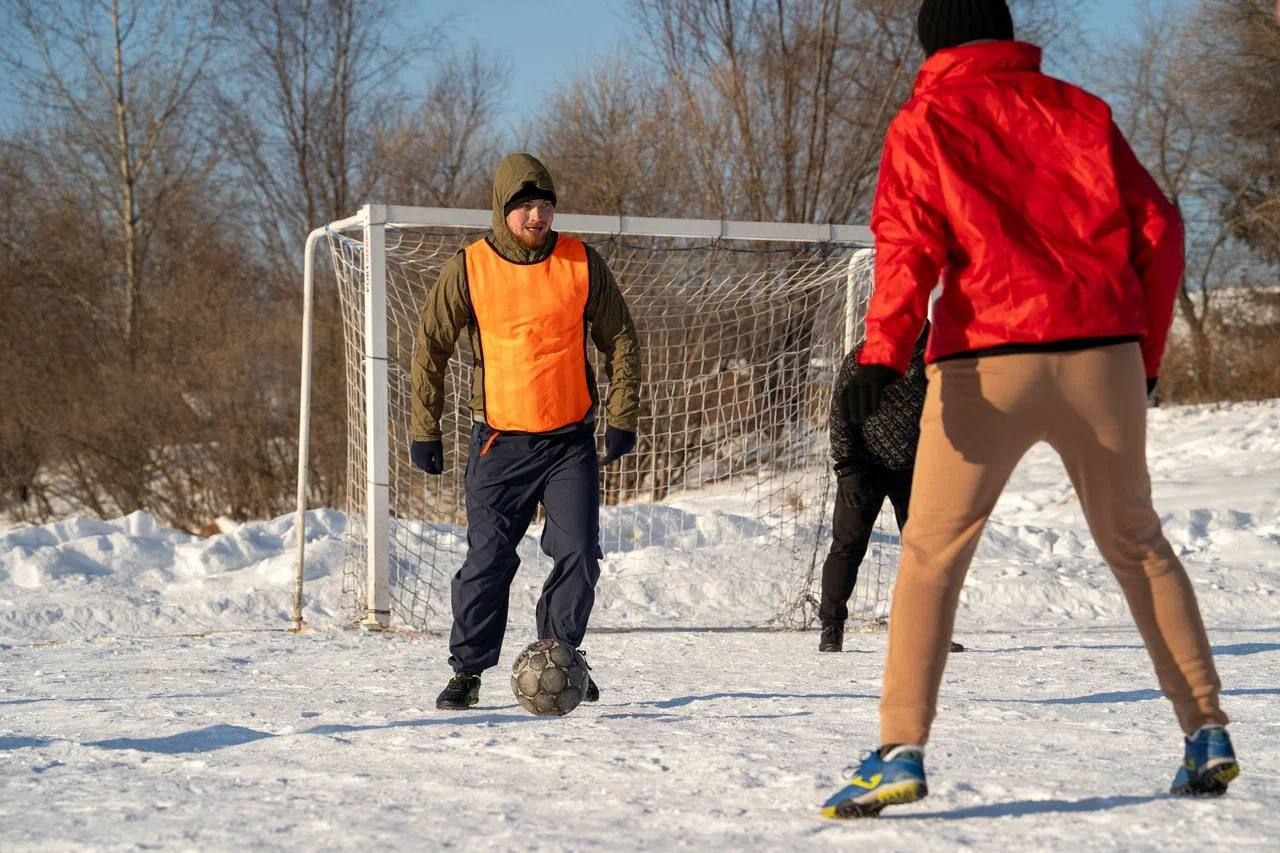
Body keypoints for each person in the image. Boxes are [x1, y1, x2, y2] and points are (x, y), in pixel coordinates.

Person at [822, 0, 1237, 819]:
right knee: (1139, 543)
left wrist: (881, 353)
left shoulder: (927, 118)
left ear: (935, 41)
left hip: (988, 359)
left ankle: (900, 747)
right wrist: (1141, 359)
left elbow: (908, 245)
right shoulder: (1082, 111)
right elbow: (1159, 227)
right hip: (1103, 352)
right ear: (1006, 34)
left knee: (933, 551)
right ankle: (1207, 729)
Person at [409, 153, 642, 711]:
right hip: (498, 442)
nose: (538, 217)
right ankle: (467, 670)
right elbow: (429, 348)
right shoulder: (469, 267)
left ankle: (559, 656)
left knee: (580, 552)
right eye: (526, 207)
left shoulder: (581, 262)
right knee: (488, 558)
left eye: (545, 205)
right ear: (502, 210)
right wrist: (426, 429)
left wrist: (622, 416)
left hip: (568, 444)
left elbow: (622, 340)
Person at [821, 322, 932, 653]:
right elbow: (841, 414)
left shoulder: (936, 358)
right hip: (863, 465)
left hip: (915, 467)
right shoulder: (864, 356)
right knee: (848, 545)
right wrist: (847, 467)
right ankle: (832, 626)